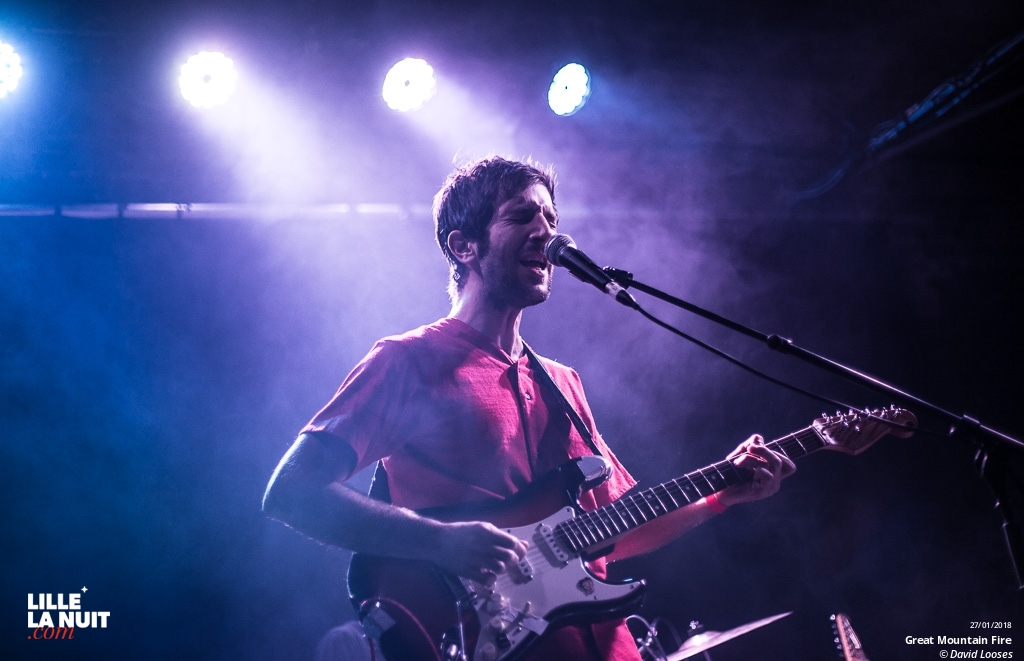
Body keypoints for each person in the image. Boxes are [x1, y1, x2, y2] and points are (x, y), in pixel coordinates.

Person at [262, 156, 795, 661]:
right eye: (522, 215)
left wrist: (720, 496)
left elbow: (613, 527)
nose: (547, 230)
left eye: (551, 216)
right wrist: (440, 543)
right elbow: (292, 492)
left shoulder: (562, 382)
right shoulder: (408, 360)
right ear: (464, 246)